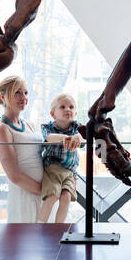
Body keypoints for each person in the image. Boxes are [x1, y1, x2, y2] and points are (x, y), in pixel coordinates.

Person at [0, 76, 43, 222]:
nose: (23, 97)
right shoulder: (1, 129)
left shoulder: (29, 125)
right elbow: (14, 175)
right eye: (17, 93)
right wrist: (44, 191)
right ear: (3, 97)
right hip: (25, 196)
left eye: (26, 93)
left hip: (43, 194)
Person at [38, 94, 84, 223]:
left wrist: (78, 138)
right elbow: (49, 137)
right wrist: (67, 138)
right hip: (53, 168)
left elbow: (85, 136)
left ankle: (59, 227)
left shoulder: (77, 127)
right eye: (62, 107)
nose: (68, 109)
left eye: (71, 107)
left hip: (69, 171)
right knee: (52, 196)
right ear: (53, 114)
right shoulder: (48, 127)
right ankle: (40, 225)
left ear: (75, 112)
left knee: (66, 197)